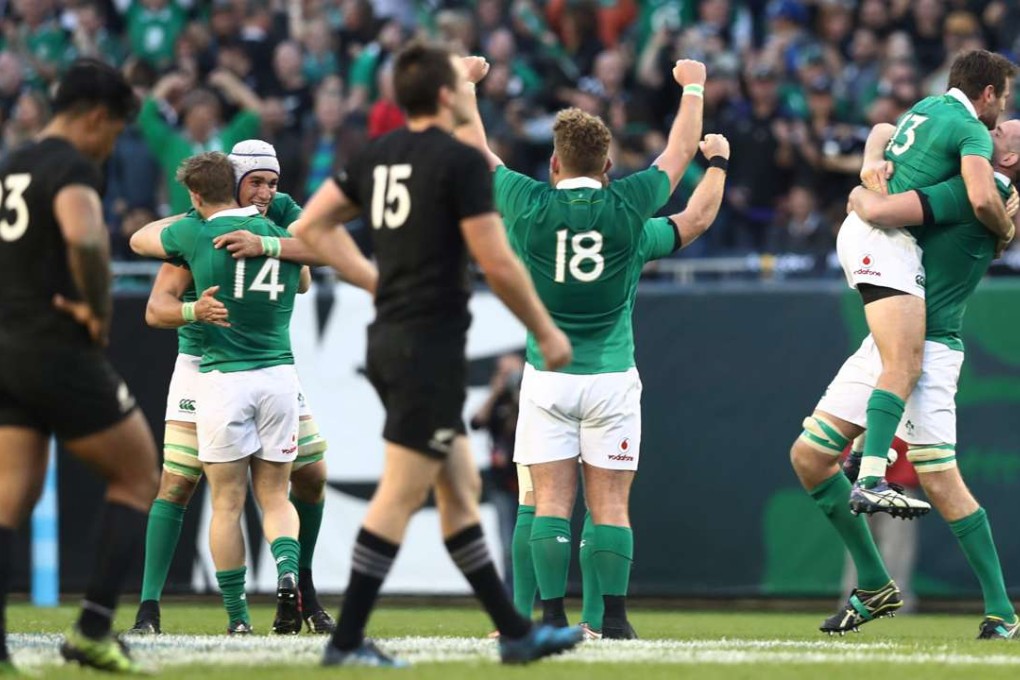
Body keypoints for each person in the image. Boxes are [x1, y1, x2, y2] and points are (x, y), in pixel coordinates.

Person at [292, 42, 581, 667]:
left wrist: (374, 280)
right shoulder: (458, 162)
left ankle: (516, 633)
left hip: (391, 336)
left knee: (460, 488)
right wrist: (546, 330)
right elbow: (496, 260)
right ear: (447, 95)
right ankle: (345, 642)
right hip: (428, 345)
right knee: (400, 494)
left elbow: (309, 229)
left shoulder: (375, 155)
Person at [455, 56, 722, 639]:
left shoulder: (528, 204)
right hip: (611, 377)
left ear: (554, 164)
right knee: (610, 506)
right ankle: (615, 623)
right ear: (607, 165)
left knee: (549, 502)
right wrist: (693, 88)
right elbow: (680, 154)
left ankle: (550, 619)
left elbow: (476, 152)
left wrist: (466, 86)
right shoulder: (629, 207)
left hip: (548, 376)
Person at [129, 140, 375, 636]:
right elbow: (157, 299)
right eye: (255, 182)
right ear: (233, 182)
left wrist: (266, 244)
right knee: (178, 482)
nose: (265, 192)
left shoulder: (274, 211)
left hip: (244, 369)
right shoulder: (201, 224)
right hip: (203, 363)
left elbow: (315, 260)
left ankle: (298, 593)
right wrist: (198, 302)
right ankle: (148, 608)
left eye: (272, 182)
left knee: (310, 476)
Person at [791, 118, 1020, 637]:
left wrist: (860, 187)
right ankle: (874, 583)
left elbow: (873, 208)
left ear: (1007, 158)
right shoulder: (985, 189)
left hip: (930, 346)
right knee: (809, 457)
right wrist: (875, 154)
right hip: (891, 335)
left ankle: (1002, 611)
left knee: (940, 478)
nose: (989, 130)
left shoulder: (973, 189)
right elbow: (884, 129)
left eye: (1002, 132)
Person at [0, 59, 158, 674]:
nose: (110, 146)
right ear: (96, 117)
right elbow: (87, 237)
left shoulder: (13, 163)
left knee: (10, 496)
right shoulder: (70, 167)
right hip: (53, 345)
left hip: (6, 344)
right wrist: (97, 308)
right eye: (114, 131)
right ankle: (93, 628)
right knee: (139, 474)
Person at [832, 50, 1016, 515]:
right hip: (883, 237)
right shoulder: (972, 134)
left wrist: (869, 166)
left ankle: (860, 456)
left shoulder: (930, 106)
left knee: (897, 363)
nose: (1003, 112)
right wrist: (1005, 231)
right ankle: (870, 476)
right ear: (988, 93)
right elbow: (981, 199)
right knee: (905, 365)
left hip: (871, 234)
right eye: (1004, 99)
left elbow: (881, 128)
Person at [470, 353, 525, 589]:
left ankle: (533, 593)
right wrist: (495, 391)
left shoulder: (530, 398)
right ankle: (510, 595)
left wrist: (521, 391)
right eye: (503, 372)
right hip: (502, 483)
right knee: (507, 543)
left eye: (512, 372)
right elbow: (476, 422)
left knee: (530, 540)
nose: (508, 377)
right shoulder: (497, 402)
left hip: (530, 481)